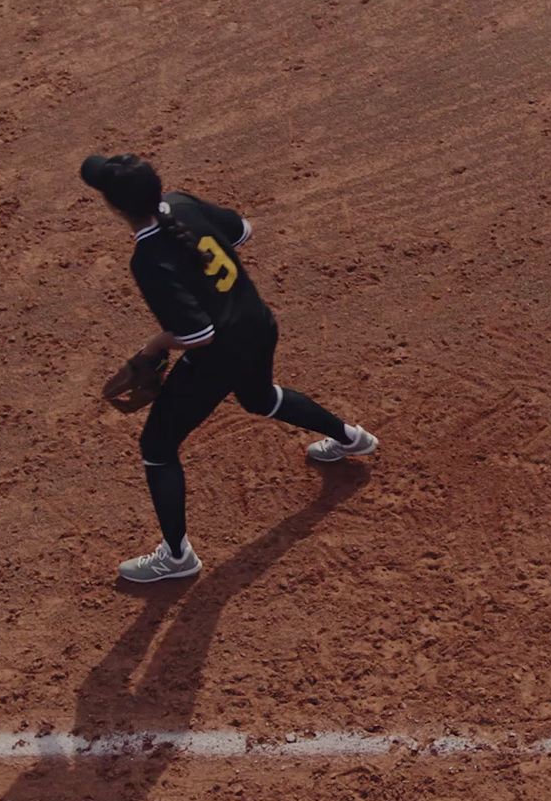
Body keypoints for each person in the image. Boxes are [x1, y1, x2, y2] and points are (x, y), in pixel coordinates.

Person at [80, 153, 377, 584]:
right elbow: (242, 231)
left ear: (115, 207)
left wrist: (154, 347)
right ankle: (352, 438)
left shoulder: (148, 259)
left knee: (157, 448)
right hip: (258, 323)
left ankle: (177, 557)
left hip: (220, 354)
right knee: (259, 398)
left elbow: (198, 336)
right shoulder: (181, 204)